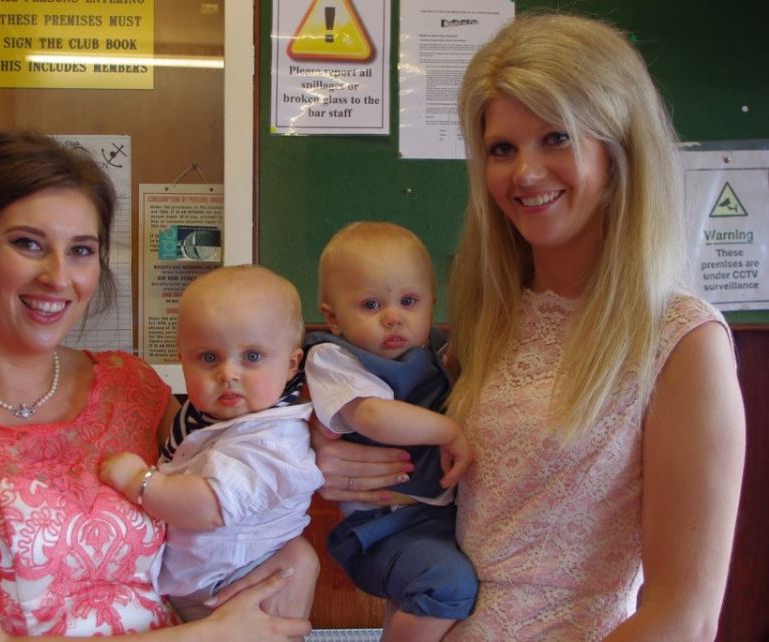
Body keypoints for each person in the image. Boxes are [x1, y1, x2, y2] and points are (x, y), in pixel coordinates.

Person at [312, 13, 745, 641]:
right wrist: (336, 451)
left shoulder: (683, 341)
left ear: (619, 150)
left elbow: (685, 619)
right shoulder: (488, 322)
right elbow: (408, 465)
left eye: (557, 138)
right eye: (502, 149)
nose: (526, 174)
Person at [0, 130, 314, 641]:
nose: (58, 276)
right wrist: (206, 637)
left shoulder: (130, 386)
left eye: (81, 250)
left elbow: (236, 489)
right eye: (28, 244)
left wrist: (315, 494)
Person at [100, 265, 324, 629]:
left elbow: (208, 505)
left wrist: (139, 482)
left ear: (290, 364)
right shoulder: (206, 418)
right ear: (182, 359)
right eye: (208, 358)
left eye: (252, 357)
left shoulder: (272, 439)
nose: (228, 373)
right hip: (205, 591)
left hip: (242, 584)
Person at [304, 221, 476, 642]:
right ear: (334, 318)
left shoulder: (437, 353)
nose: (393, 317)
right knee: (447, 583)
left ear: (432, 305)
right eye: (370, 305)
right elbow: (373, 417)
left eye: (409, 300)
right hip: (384, 530)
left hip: (440, 521)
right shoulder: (335, 361)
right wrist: (449, 431)